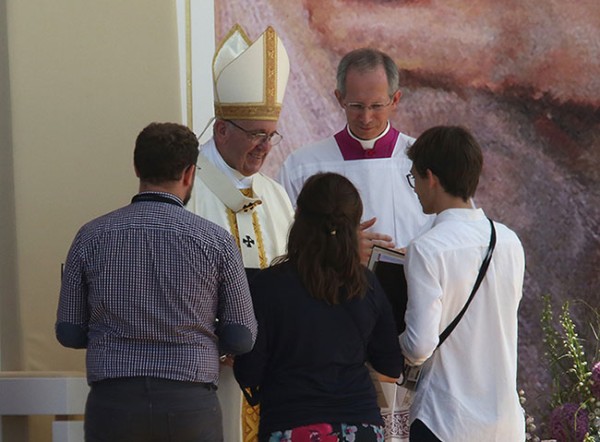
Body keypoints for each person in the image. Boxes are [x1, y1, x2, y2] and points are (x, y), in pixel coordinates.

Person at [55, 122, 257, 442]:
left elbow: (68, 331)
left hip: (114, 403)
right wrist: (203, 340)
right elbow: (242, 336)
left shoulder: (91, 236)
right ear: (190, 173)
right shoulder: (217, 242)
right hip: (190, 403)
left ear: (137, 166)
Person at [234, 172, 404, 442]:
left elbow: (249, 371)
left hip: (292, 424)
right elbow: (391, 367)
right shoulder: (366, 285)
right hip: (360, 426)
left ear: (298, 216)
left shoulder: (267, 286)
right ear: (354, 225)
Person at [186, 24, 295, 442]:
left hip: (274, 375)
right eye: (255, 134)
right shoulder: (189, 189)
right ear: (222, 130)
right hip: (210, 371)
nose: (265, 147)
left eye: (271, 135)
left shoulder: (277, 197)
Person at [399, 126, 525, 441]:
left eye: (414, 178)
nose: (414, 188)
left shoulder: (427, 248)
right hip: (506, 423)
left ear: (431, 177)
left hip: (445, 419)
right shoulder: (508, 241)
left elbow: (419, 346)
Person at [279, 48, 433, 264]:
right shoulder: (302, 166)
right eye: (356, 106)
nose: (366, 118)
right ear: (340, 98)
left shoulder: (427, 159)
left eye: (376, 106)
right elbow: (283, 242)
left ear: (395, 99)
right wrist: (339, 247)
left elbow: (454, 230)